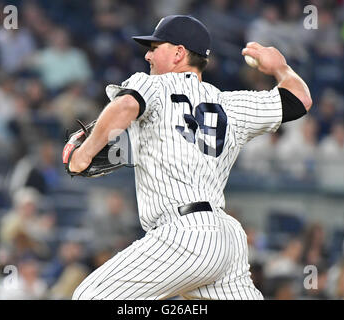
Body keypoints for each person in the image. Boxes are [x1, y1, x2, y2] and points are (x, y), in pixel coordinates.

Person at [67, 15, 312, 300]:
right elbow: (299, 99)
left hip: (183, 233)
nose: (147, 54)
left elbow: (126, 105)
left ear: (179, 53)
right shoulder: (230, 104)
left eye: (155, 47)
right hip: (226, 240)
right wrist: (280, 67)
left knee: (90, 297)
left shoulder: (154, 86)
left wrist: (83, 155)